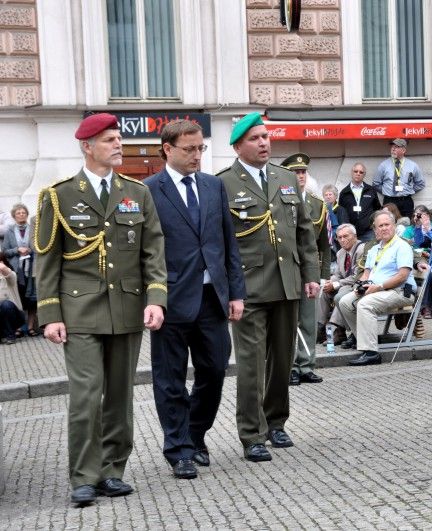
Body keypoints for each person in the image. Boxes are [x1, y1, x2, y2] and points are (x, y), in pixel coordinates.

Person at [34, 113, 167, 506]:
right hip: (79, 311)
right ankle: (84, 476)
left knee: (121, 396)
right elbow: (48, 260)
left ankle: (112, 470)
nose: (117, 145)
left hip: (126, 308)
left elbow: (153, 251)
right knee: (86, 395)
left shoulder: (137, 193)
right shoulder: (58, 196)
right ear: (86, 146)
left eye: (118, 138)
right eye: (109, 139)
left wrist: (156, 298)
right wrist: (50, 314)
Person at [144, 119, 246, 480]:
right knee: (169, 378)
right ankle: (180, 450)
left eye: (200, 148)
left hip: (211, 297)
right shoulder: (149, 190)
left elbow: (226, 241)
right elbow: (146, 249)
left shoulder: (213, 185)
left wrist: (235, 291)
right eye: (189, 149)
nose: (196, 155)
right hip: (170, 298)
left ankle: (194, 433)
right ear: (167, 149)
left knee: (215, 370)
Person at [217, 113, 320, 462]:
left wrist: (310, 275)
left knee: (283, 360)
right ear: (237, 146)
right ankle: (252, 433)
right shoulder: (224, 183)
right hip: (248, 288)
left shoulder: (286, 178)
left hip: (287, 282)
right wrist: (229, 291)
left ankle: (276, 421)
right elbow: (221, 244)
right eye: (255, 138)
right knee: (251, 365)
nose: (264, 143)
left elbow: (305, 233)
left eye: (265, 136)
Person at [339, 211, 416, 366]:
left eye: (387, 225)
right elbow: (366, 273)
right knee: (345, 302)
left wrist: (379, 286)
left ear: (394, 226)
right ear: (375, 230)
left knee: (365, 304)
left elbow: (402, 276)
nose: (383, 229)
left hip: (399, 291)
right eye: (379, 226)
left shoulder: (402, 246)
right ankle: (366, 339)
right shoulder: (375, 249)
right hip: (377, 289)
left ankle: (371, 353)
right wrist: (359, 286)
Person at [281, 153, 330, 386]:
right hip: (286, 269)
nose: (300, 176)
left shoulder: (317, 204)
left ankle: (307, 364)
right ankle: (289, 366)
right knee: (288, 321)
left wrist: (323, 276)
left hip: (309, 272)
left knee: (308, 320)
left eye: (303, 172)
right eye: (295, 172)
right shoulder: (280, 202)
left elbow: (324, 245)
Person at [318, 223, 365, 345]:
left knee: (341, 294)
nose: (342, 240)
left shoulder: (362, 249)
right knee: (323, 289)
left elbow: (357, 276)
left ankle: (335, 329)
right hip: (345, 284)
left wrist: (335, 284)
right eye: (339, 237)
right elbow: (338, 275)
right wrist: (330, 282)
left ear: (354, 236)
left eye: (346, 236)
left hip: (358, 286)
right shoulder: (340, 253)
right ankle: (320, 328)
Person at [2, 203, 37, 336]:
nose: (21, 215)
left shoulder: (33, 228)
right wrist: (17, 250)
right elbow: (5, 251)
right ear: (13, 216)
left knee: (32, 298)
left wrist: (30, 249)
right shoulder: (10, 231)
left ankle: (31, 326)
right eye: (18, 213)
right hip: (17, 270)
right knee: (19, 298)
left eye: (23, 213)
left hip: (32, 268)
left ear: (27, 215)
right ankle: (19, 327)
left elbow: (39, 246)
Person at [372, 138, 425, 218]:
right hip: (389, 201)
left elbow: (420, 183)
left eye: (396, 146)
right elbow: (376, 183)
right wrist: (387, 191)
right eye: (392, 146)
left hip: (406, 201)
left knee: (407, 225)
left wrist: (410, 190)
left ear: (403, 150)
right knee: (389, 223)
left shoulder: (413, 165)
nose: (393, 148)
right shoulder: (383, 165)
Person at [338, 162, 381, 242]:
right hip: (350, 233)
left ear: (364, 175)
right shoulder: (344, 193)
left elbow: (377, 209)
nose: (358, 174)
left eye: (361, 172)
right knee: (352, 254)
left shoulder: (371, 190)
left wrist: (373, 224)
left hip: (368, 232)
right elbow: (341, 212)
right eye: (356, 171)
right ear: (351, 172)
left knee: (368, 253)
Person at [0, 258, 25, 344]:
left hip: (15, 316)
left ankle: (10, 335)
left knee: (6, 304)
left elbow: (5, 271)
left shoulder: (11, 276)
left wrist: (2, 266)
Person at [322, 184, 348, 253]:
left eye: (330, 194)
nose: (328, 197)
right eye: (326, 195)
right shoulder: (321, 209)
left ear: (335, 196)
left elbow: (344, 227)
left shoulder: (341, 210)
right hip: (324, 244)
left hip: (337, 244)